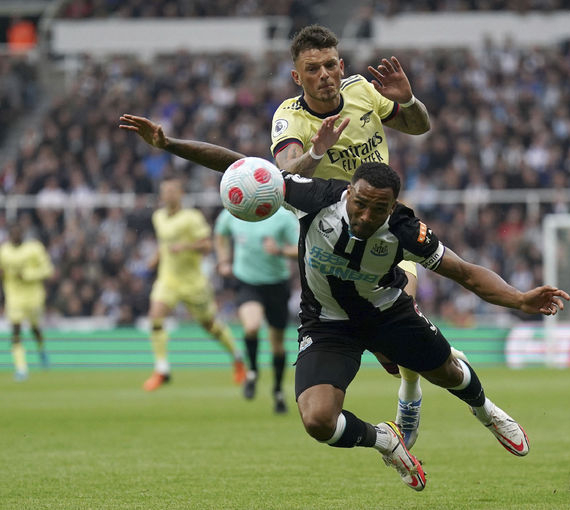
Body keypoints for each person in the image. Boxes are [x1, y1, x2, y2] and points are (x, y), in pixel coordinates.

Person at [119, 23, 438, 447]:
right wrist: (318, 150)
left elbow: (419, 127)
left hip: (385, 227)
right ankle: (376, 397)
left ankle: (410, 397)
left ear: (341, 65)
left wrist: (408, 100)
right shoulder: (289, 117)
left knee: (405, 314)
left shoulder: (363, 91)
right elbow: (282, 174)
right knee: (389, 356)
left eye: (330, 65)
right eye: (313, 68)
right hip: (330, 241)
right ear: (297, 76)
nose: (324, 74)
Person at [277, 161, 570, 490]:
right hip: (326, 323)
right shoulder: (313, 197)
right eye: (359, 203)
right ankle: (386, 440)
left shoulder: (404, 230)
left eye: (378, 209)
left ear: (392, 207)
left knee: (449, 374)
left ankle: (486, 411)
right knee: (318, 421)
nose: (365, 216)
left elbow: (465, 273)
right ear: (348, 192)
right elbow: (245, 168)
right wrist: (203, 150)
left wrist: (518, 299)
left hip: (386, 313)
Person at [142, 175, 246, 391]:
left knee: (209, 325)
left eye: (172, 191)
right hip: (168, 279)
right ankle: (162, 369)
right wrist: (155, 259)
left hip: (193, 282)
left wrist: (186, 247)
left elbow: (207, 246)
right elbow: (164, 244)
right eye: (165, 191)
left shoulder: (192, 217)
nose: (168, 195)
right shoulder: (158, 217)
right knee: (155, 316)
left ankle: (237, 357)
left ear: (180, 194)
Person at [214, 207, 299, 413]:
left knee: (277, 345)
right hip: (247, 282)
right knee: (251, 327)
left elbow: (301, 248)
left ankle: (278, 390)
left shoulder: (283, 217)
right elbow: (220, 234)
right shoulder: (234, 212)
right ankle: (252, 372)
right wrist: (224, 261)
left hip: (276, 285)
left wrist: (279, 250)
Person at [0, 224, 53, 381]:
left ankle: (41, 350)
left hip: (34, 296)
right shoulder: (4, 252)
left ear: (23, 234)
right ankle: (21, 368)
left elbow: (48, 270)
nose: (16, 236)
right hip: (14, 297)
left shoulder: (34, 249)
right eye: (13, 233)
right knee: (16, 331)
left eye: (18, 232)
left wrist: (28, 275)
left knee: (35, 328)